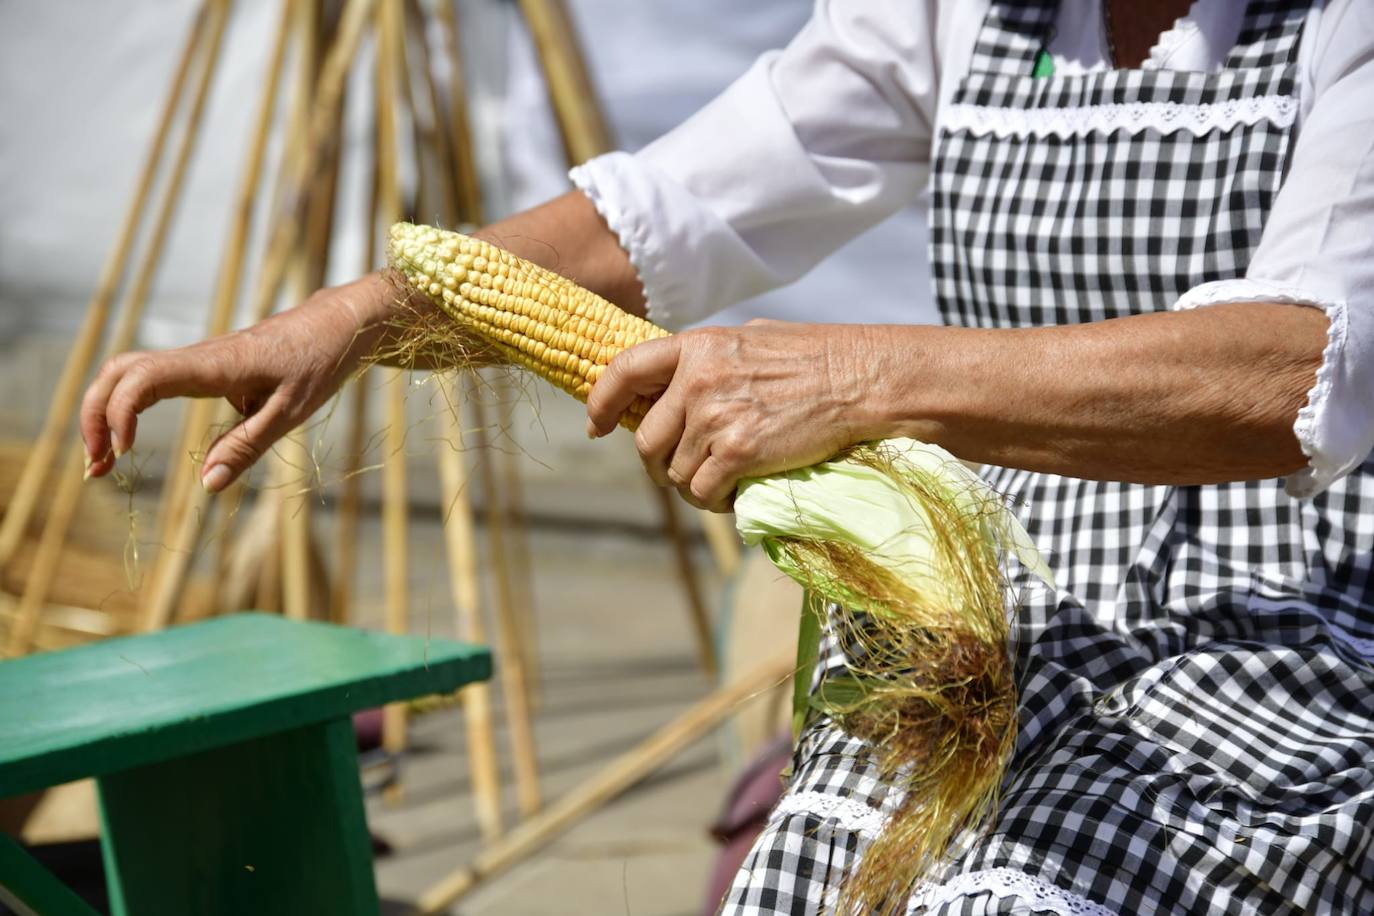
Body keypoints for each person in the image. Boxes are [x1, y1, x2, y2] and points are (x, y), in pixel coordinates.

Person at [82, 0, 1374, 912]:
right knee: (806, 874)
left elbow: (1294, 368)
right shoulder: (958, 11)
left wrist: (864, 379)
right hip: (989, 609)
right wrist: (350, 320)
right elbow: (677, 211)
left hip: (1282, 627)